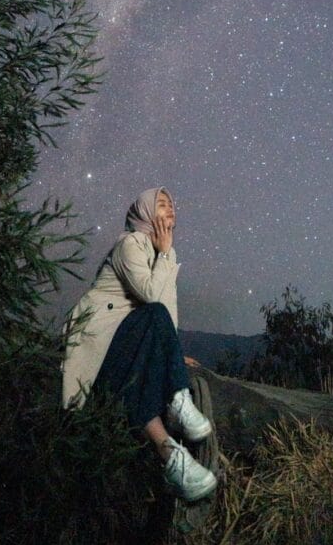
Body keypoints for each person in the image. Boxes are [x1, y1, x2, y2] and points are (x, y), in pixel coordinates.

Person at [62, 187, 217, 502]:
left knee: (140, 374)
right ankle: (177, 407)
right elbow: (151, 298)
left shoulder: (166, 253)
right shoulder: (129, 244)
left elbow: (166, 312)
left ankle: (175, 460)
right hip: (101, 343)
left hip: (129, 344)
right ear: (145, 212)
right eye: (161, 204)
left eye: (172, 203)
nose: (170, 208)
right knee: (153, 313)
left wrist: (172, 352)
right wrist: (162, 253)